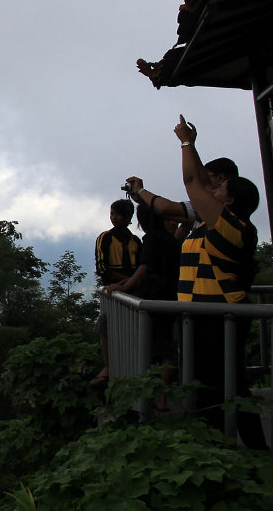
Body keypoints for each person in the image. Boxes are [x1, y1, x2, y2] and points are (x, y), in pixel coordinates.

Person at [126, 115, 265, 448]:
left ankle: (226, 451)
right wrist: (141, 192)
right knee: (215, 384)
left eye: (218, 187)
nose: (211, 189)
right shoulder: (212, 222)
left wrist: (186, 143)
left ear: (228, 200)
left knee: (216, 386)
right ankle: (236, 448)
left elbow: (192, 181)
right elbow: (192, 189)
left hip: (218, 316)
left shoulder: (229, 226)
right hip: (202, 315)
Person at [105, 203, 183, 409]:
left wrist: (124, 286)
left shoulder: (151, 239)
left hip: (153, 298)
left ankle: (152, 396)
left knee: (152, 344)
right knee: (167, 346)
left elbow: (143, 268)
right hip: (171, 297)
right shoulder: (171, 240)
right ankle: (161, 395)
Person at [92, 198, 142, 385]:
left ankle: (119, 370)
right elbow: (102, 269)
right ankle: (110, 367)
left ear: (127, 217)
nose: (113, 217)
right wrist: (129, 281)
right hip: (117, 292)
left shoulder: (135, 242)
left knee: (125, 331)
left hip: (127, 292)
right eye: (112, 213)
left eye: (117, 214)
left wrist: (124, 283)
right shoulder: (105, 238)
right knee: (107, 327)